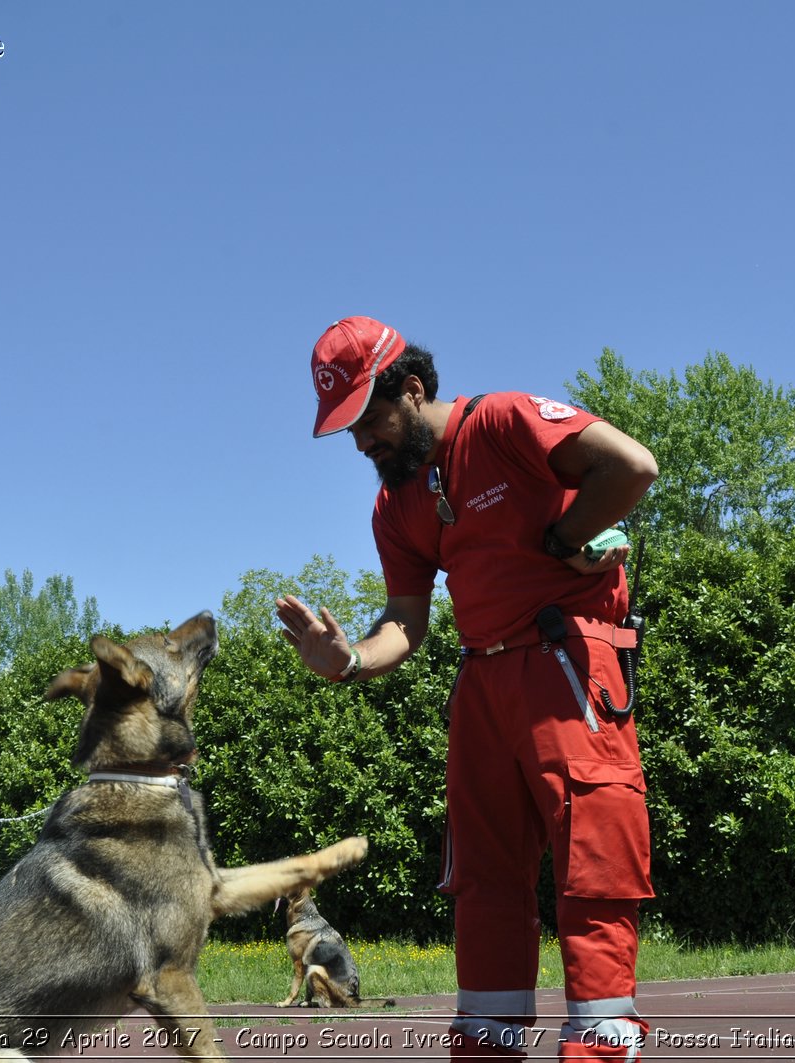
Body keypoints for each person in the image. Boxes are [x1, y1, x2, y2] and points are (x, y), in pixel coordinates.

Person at [276, 316, 660, 1061]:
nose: (360, 442)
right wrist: (350, 659)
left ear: (412, 389)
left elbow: (632, 466)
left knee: (594, 869)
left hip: (565, 665)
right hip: (480, 683)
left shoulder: (506, 421)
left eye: (367, 419)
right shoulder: (397, 504)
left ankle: (602, 1050)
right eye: (346, 428)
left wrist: (565, 535)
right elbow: (406, 623)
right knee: (483, 884)